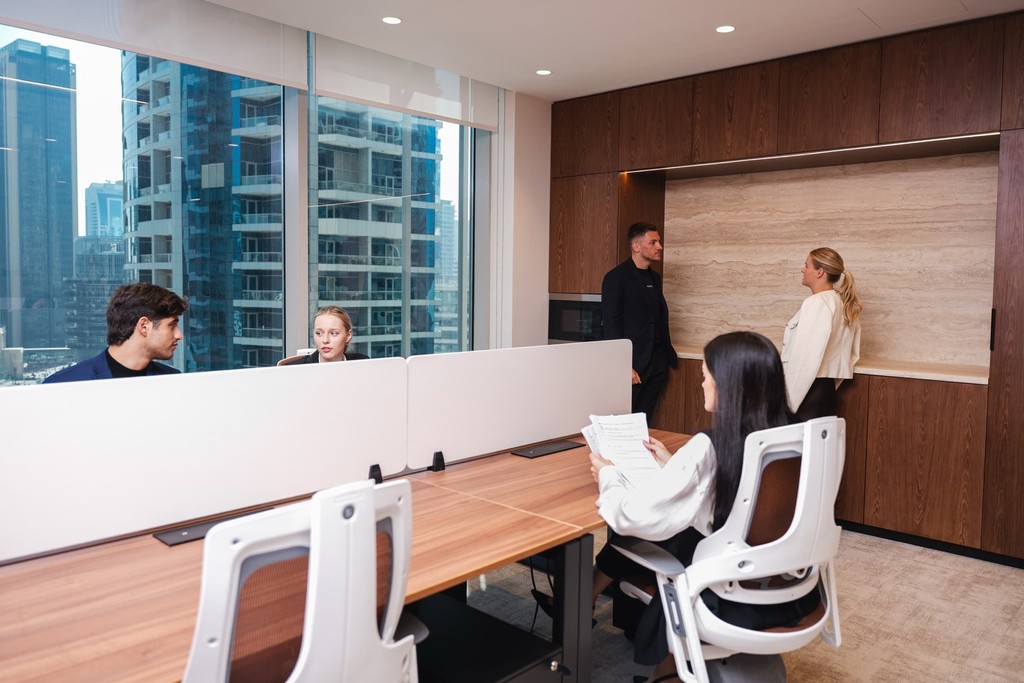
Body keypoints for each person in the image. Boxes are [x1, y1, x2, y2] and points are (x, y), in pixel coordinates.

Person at [589, 331, 818, 679]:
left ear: (729, 385)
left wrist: (608, 476)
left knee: (645, 534)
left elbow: (631, 516)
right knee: (676, 530)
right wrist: (676, 466)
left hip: (727, 594)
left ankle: (659, 663)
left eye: (706, 375)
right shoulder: (794, 435)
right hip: (789, 588)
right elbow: (745, 491)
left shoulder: (710, 446)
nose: (702, 383)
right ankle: (667, 667)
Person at [601, 222, 677, 424]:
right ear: (636, 246)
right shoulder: (616, 278)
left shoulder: (655, 277)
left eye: (658, 242)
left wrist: (665, 358)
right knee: (625, 421)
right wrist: (624, 365)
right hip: (633, 364)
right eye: (653, 242)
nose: (659, 246)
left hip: (657, 363)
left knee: (645, 420)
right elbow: (611, 325)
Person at [43, 283, 187, 383]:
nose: (179, 335)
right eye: (172, 325)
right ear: (144, 327)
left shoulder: (173, 380)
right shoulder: (62, 385)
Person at [782, 247, 862, 422]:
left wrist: (787, 405)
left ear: (820, 272)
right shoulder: (844, 304)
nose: (802, 270)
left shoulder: (816, 303)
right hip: (826, 391)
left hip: (805, 394)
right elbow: (852, 356)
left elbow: (805, 360)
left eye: (806, 265)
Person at [292, 306, 368, 364]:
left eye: (333, 333)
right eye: (319, 333)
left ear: (348, 336)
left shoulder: (363, 363)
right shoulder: (294, 369)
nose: (325, 340)